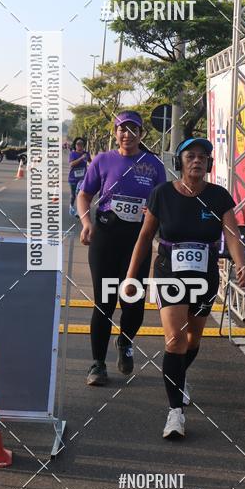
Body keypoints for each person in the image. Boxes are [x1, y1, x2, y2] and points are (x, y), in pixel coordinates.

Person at [123, 137, 245, 440]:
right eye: (190, 156)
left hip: (205, 275)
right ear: (179, 161)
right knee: (174, 340)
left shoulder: (219, 196)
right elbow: (144, 237)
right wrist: (130, 277)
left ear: (209, 164)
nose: (197, 161)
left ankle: (179, 376)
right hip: (169, 272)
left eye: (203, 157)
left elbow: (232, 235)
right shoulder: (162, 194)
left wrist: (240, 264)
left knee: (192, 340)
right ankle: (175, 412)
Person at [77, 111, 166, 386]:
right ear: (115, 133)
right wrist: (86, 222)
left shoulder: (152, 164)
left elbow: (163, 201)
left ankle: (125, 342)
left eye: (132, 129)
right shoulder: (103, 160)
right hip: (105, 237)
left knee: (133, 303)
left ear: (141, 134)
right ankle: (98, 364)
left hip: (137, 241)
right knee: (104, 302)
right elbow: (84, 194)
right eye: (121, 129)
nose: (127, 134)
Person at [68, 137, 91, 217]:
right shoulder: (73, 154)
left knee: (79, 194)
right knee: (73, 195)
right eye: (78, 144)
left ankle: (79, 211)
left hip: (82, 178)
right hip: (72, 178)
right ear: (75, 145)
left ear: (84, 145)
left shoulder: (86, 154)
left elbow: (91, 162)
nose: (80, 145)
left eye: (81, 144)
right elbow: (71, 164)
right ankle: (71, 206)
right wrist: (81, 158)